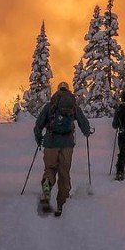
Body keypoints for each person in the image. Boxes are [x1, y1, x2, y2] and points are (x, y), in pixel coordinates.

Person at [34, 81, 93, 216]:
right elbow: (83, 122)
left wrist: (39, 139)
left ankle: (47, 189)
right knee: (64, 173)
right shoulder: (73, 106)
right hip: (67, 144)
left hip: (50, 143)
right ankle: (62, 204)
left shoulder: (49, 106)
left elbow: (38, 125)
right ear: (68, 90)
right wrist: (87, 132)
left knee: (50, 169)